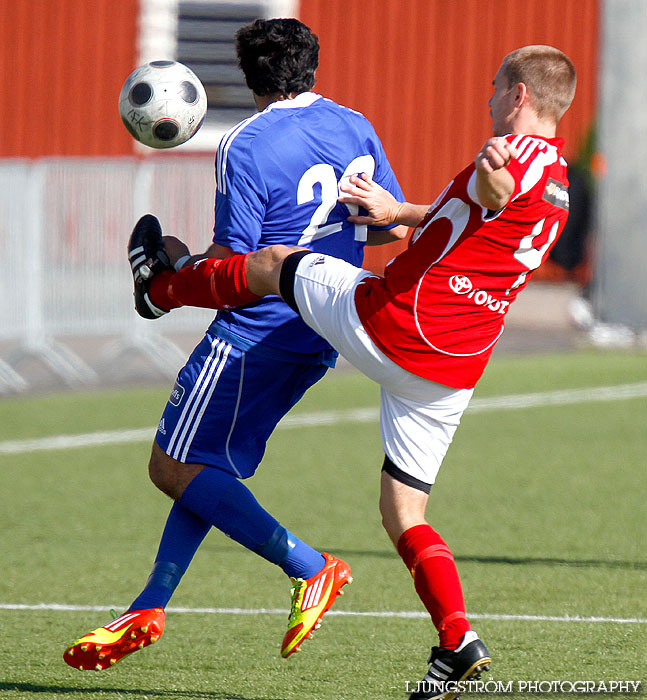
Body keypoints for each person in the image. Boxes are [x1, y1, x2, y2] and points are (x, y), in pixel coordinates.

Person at [130, 45, 576, 700]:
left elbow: (493, 192)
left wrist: (490, 176)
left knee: (274, 262)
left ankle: (160, 290)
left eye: (493, 87)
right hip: (453, 366)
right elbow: (477, 214)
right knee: (403, 510)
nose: (486, 97)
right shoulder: (560, 175)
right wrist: (399, 214)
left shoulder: (514, 159)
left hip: (396, 322)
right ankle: (457, 642)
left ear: (518, 97)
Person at [64, 18, 406, 671]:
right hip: (325, 322)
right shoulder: (354, 126)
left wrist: (170, 273)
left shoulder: (246, 144)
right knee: (204, 466)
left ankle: (310, 567)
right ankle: (148, 605)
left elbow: (235, 266)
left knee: (171, 467)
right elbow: (384, 225)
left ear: (248, 76)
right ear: (312, 65)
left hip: (258, 326)